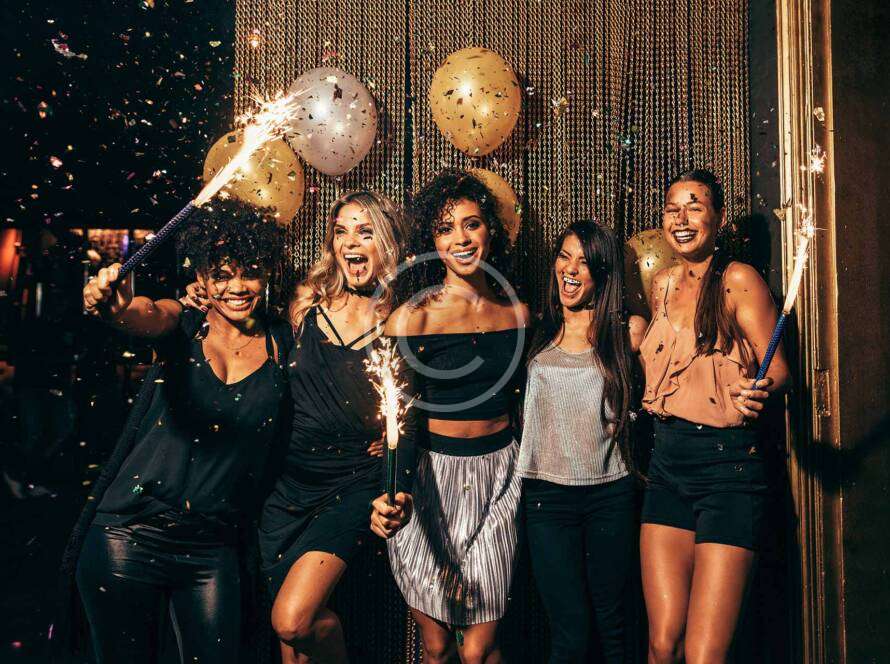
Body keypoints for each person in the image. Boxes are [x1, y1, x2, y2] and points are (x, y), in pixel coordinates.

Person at [182, 191, 413, 664]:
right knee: (292, 651)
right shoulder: (306, 300)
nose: (351, 242)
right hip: (285, 487)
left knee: (294, 619)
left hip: (350, 486)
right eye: (342, 231)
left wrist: (398, 480)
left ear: (387, 242)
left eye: (365, 232)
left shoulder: (402, 320)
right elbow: (244, 319)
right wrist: (201, 296)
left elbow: (412, 417)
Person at [60, 199, 291, 664]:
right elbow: (142, 312)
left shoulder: (282, 343)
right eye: (221, 275)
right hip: (127, 537)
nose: (236, 287)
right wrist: (115, 305)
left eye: (249, 273)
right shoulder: (182, 324)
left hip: (212, 548)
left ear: (266, 273)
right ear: (201, 277)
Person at [371, 169, 529, 664]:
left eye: (471, 224)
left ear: (490, 231)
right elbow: (399, 420)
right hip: (431, 483)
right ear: (432, 241)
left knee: (479, 648)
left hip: (500, 478)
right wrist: (395, 489)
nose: (460, 238)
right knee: (437, 647)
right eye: (446, 228)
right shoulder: (411, 318)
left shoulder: (518, 313)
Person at [638, 169, 790, 664]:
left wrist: (757, 389)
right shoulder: (661, 285)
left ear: (718, 218)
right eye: (672, 209)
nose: (681, 219)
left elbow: (779, 370)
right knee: (663, 645)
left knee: (705, 656)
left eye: (694, 207)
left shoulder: (737, 280)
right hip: (667, 466)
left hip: (727, 472)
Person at [518, 220, 646, 663]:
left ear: (603, 273)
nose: (570, 270)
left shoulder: (626, 333)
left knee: (613, 628)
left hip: (610, 493)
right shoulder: (534, 330)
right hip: (546, 498)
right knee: (569, 634)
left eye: (584, 262)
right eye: (564, 256)